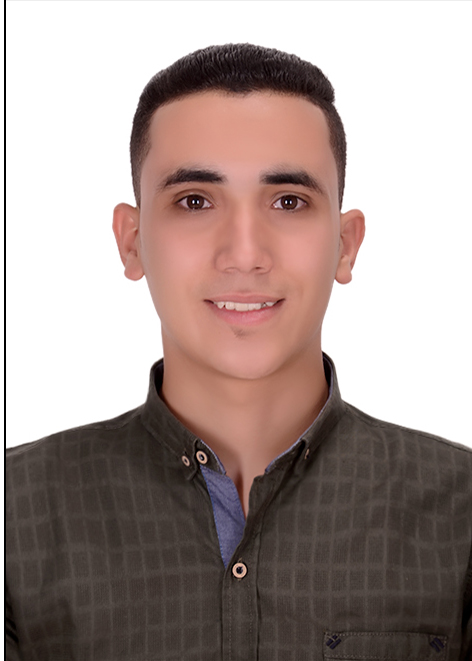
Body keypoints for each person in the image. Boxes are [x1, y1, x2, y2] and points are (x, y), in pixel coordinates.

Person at [6, 43, 471, 661]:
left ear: (346, 244)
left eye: (289, 201)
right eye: (195, 201)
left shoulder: (462, 513)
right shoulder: (16, 512)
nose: (245, 254)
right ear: (132, 241)